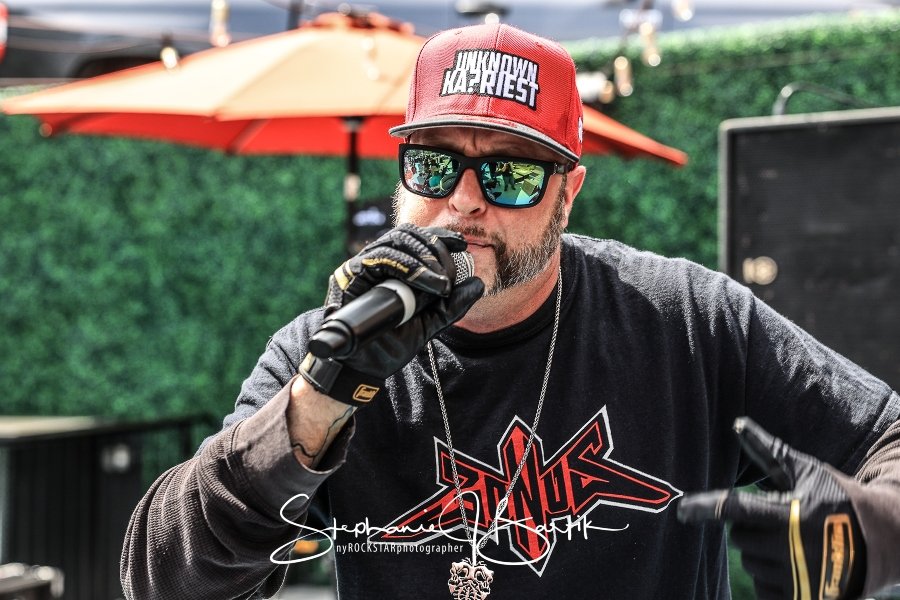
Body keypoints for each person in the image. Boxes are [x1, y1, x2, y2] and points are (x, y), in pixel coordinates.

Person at [120, 23, 900, 600]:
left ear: (568, 194)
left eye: (512, 174)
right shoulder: (326, 346)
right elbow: (158, 578)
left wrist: (868, 528)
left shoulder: (686, 322)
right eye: (434, 164)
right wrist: (309, 414)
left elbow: (886, 439)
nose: (463, 199)